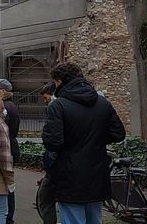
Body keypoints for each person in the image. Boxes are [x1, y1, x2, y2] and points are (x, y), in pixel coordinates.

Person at [42, 62, 126, 224]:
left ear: (59, 81)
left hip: (69, 174)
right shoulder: (102, 103)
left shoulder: (58, 105)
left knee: (73, 219)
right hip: (97, 172)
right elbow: (118, 133)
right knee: (95, 219)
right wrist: (96, 139)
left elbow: (53, 142)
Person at [0, 79, 20, 224]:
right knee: (8, 184)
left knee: (5, 185)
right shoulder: (12, 106)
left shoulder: (3, 107)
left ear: (2, 91)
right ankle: (7, 215)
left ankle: (5, 216)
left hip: (4, 149)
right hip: (11, 147)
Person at [37, 82, 59, 224]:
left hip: (56, 164)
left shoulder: (56, 108)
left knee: (45, 198)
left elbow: (53, 140)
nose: (45, 102)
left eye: (46, 98)